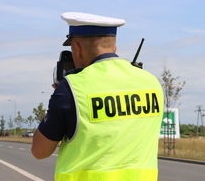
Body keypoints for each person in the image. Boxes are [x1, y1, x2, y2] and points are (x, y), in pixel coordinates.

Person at [31, 12, 164, 181]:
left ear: (76, 48)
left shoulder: (72, 87)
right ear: (114, 48)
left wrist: (60, 100)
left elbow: (39, 151)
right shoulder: (151, 82)